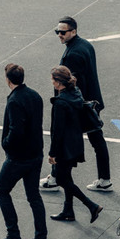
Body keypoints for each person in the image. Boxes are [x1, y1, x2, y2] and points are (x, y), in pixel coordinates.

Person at [41, 16, 113, 192]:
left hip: (79, 107)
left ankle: (55, 177)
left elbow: (72, 84)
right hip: (92, 103)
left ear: (73, 31)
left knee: (62, 139)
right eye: (57, 31)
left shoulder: (72, 54)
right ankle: (105, 178)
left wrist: (68, 106)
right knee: (98, 140)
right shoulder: (85, 45)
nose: (59, 35)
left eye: (63, 32)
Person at [0, 64, 48, 239]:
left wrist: (6, 144)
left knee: (1, 190)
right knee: (34, 196)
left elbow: (16, 131)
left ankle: (13, 234)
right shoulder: (35, 95)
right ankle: (41, 238)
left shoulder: (15, 101)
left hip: (19, 157)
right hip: (35, 154)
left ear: (8, 80)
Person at [48, 66, 103, 224]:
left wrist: (52, 153)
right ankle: (68, 211)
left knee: (61, 179)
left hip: (64, 147)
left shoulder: (60, 103)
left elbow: (57, 131)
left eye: (53, 80)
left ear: (59, 83)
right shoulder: (76, 93)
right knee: (67, 177)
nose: (52, 83)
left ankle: (91, 205)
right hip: (76, 143)